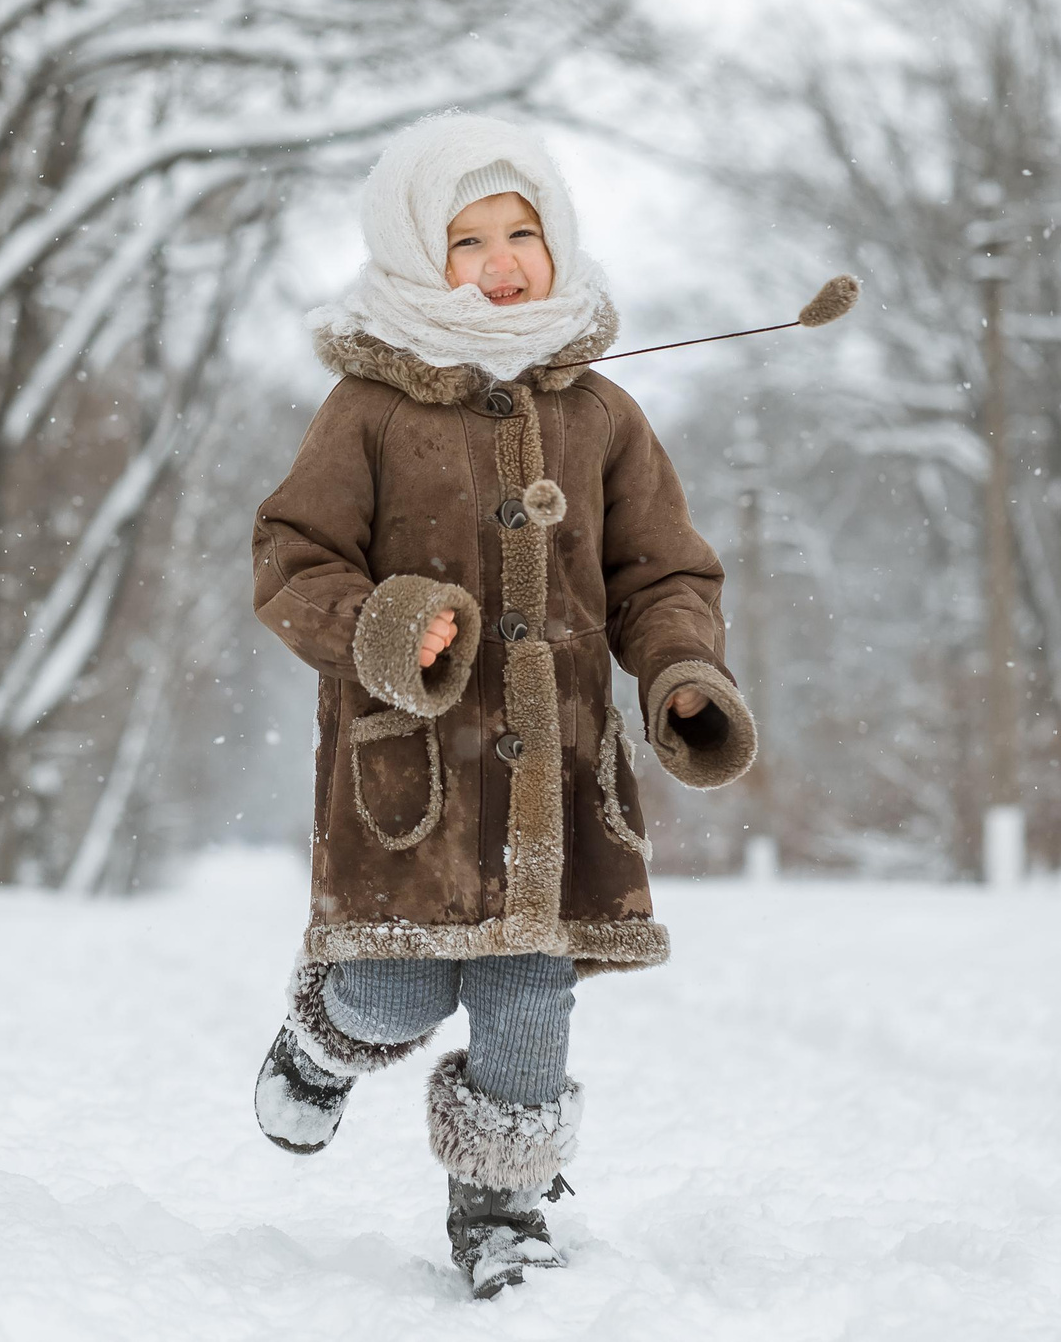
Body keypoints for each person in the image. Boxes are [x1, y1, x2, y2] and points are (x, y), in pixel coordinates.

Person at [247, 112, 757, 1300]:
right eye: (464, 237)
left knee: (531, 995)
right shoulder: (367, 411)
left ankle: (502, 1211)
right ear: (410, 253)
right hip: (415, 778)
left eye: (521, 230)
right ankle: (322, 1036)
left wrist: (683, 675)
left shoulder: (600, 415)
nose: (500, 259)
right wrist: (380, 625)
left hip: (555, 782)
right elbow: (292, 560)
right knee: (402, 983)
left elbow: (662, 574)